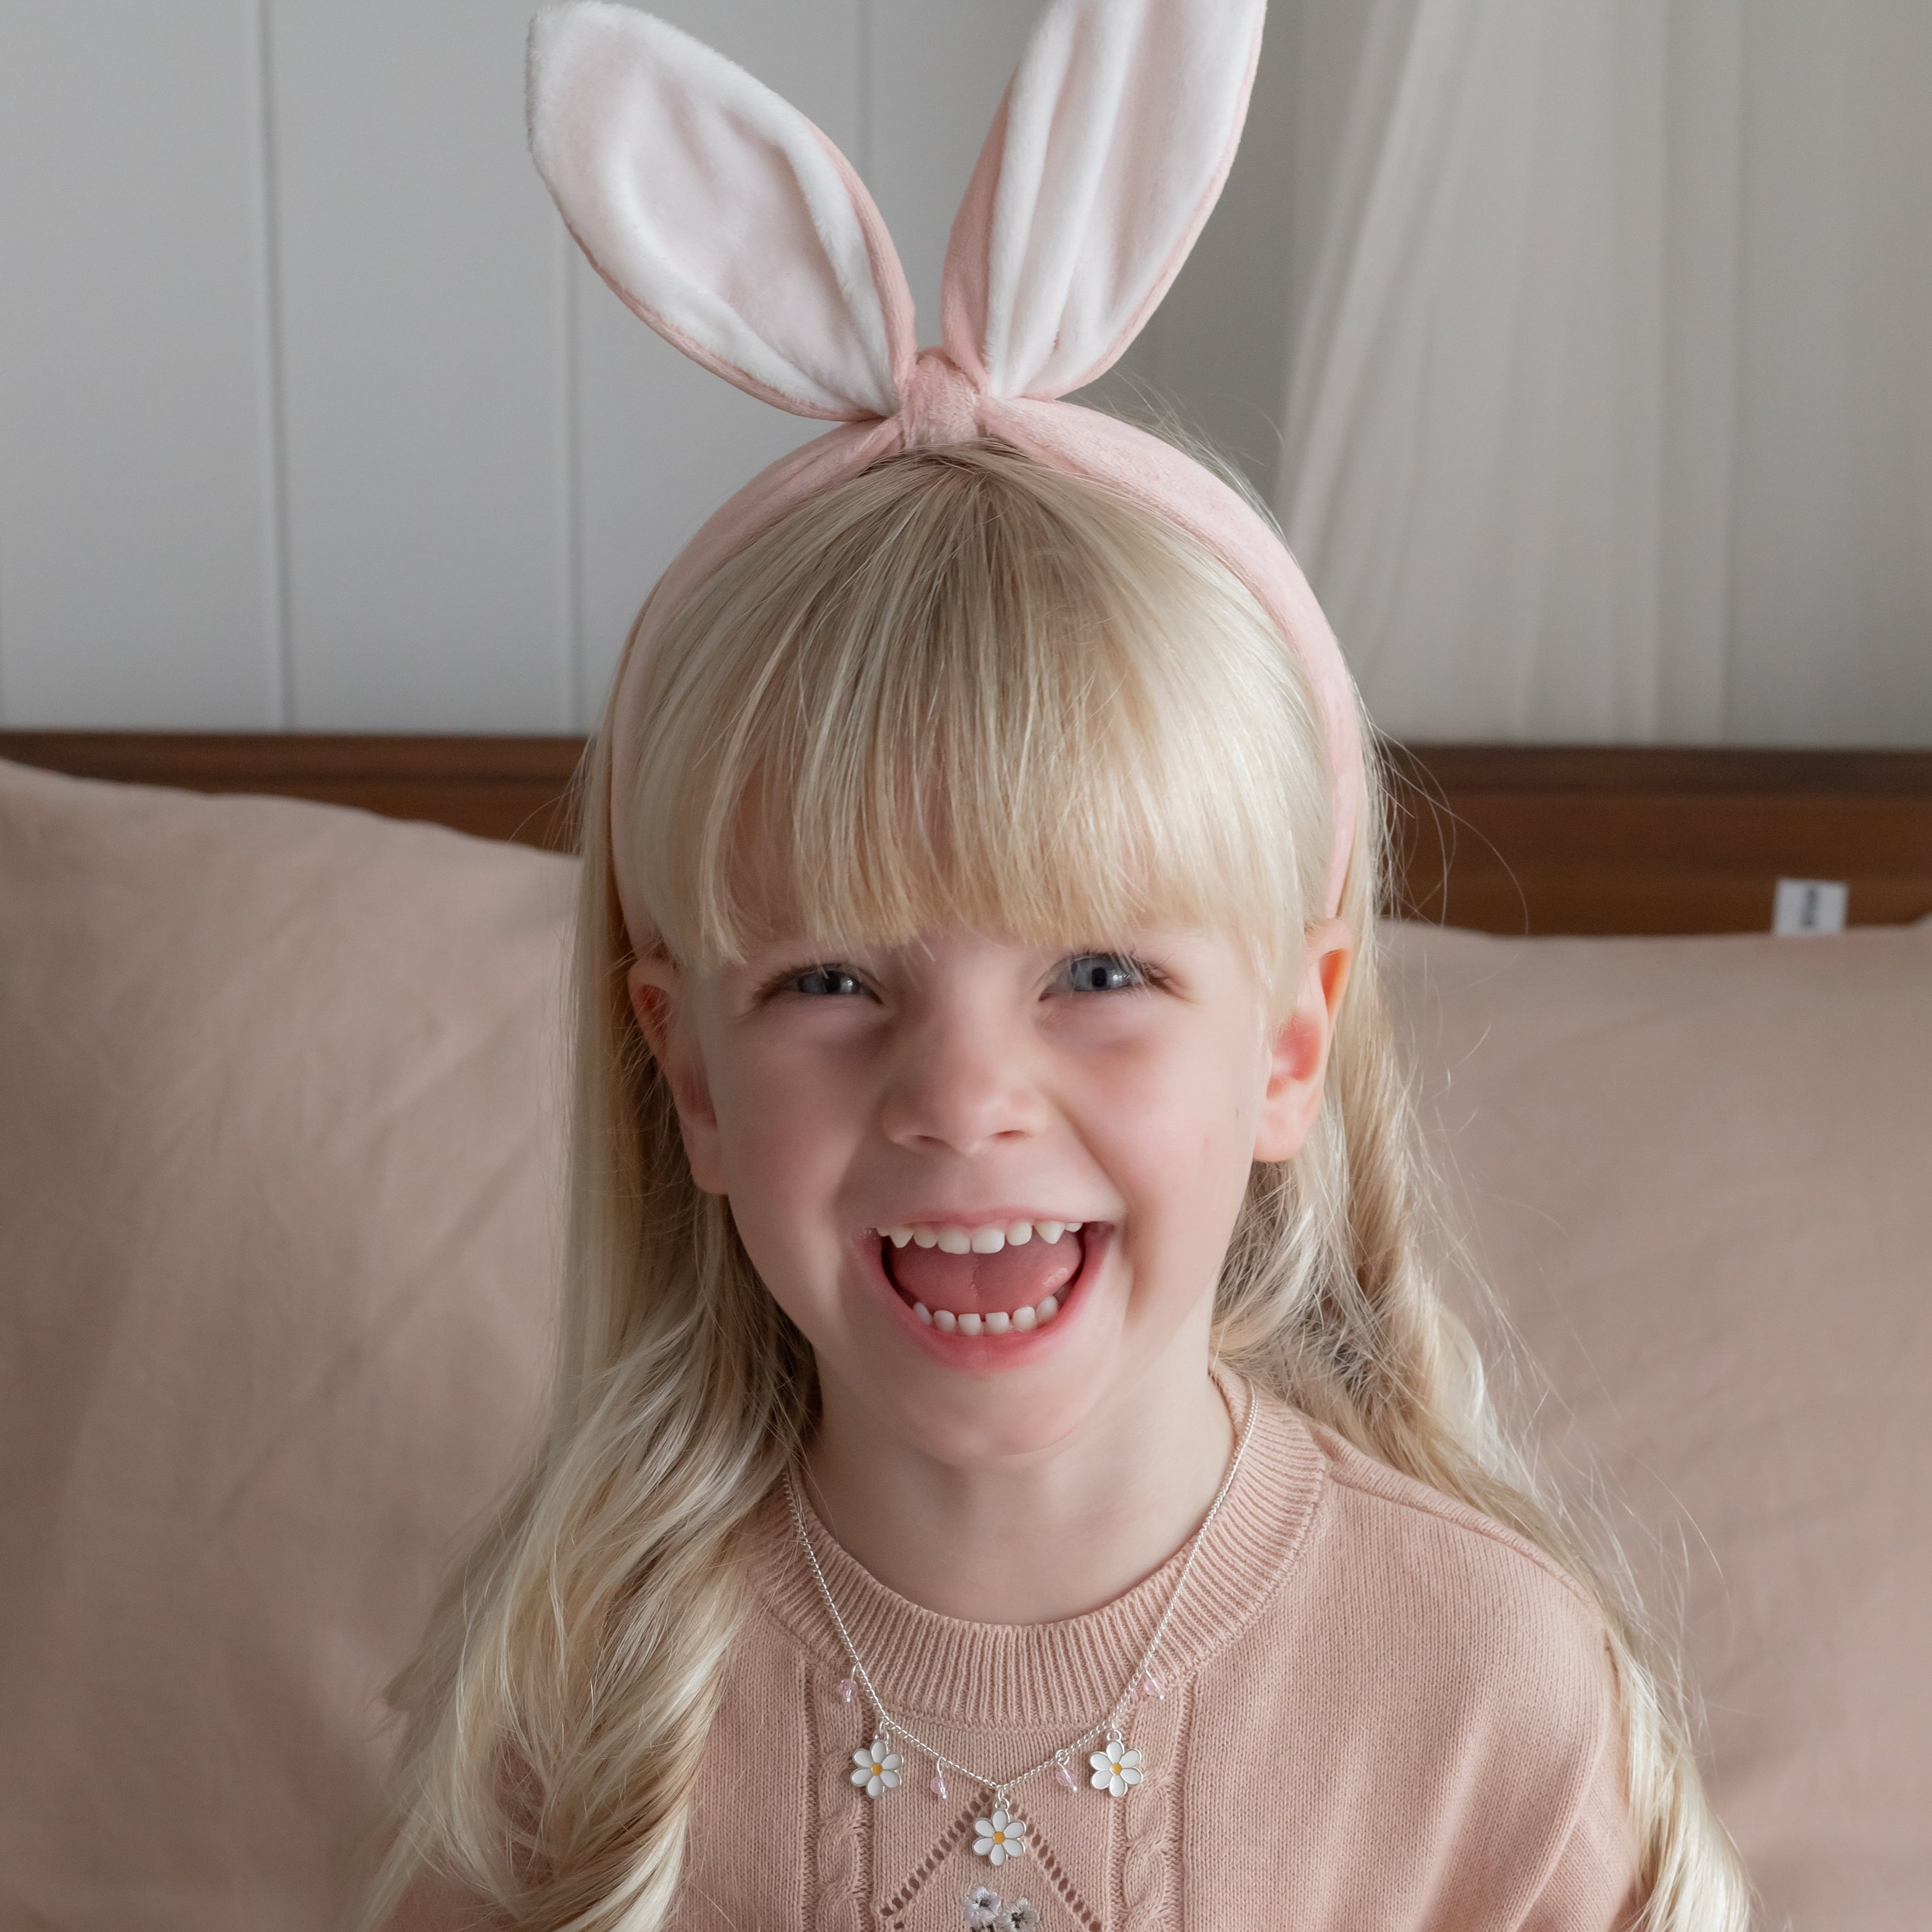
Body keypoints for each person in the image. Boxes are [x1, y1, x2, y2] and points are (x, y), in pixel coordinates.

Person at [357, 3, 1749, 1927]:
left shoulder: (1479, 1689)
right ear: (686, 1075)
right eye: (828, 981)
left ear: (1288, 1045)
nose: (958, 1096)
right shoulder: (581, 1683)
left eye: (1097, 969)